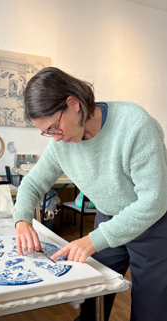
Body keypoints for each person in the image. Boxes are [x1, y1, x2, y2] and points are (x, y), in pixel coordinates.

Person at [13, 67, 167, 321]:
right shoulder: (60, 144)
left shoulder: (135, 125)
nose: (56, 138)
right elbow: (32, 183)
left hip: (153, 224)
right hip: (107, 218)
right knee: (93, 302)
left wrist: (94, 240)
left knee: (151, 311)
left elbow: (153, 202)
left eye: (54, 127)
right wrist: (22, 220)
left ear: (73, 104)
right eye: (47, 132)